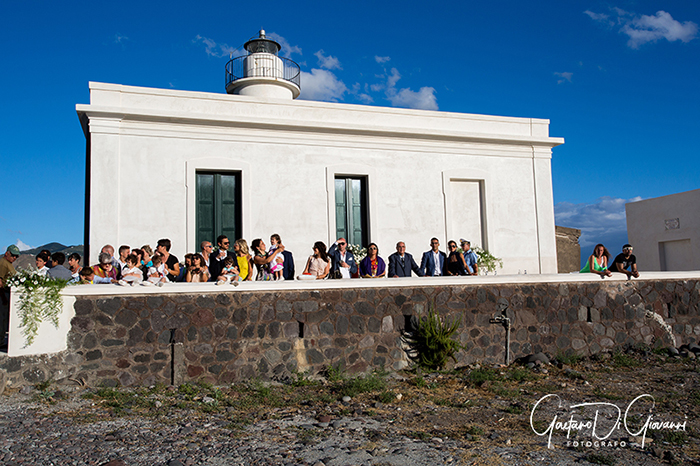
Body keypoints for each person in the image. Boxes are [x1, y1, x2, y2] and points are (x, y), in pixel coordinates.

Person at [1, 245, 20, 339]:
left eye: (16, 256)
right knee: (2, 318)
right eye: (13, 255)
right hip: (2, 294)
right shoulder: (3, 263)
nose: (15, 258)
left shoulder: (8, 263)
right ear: (7, 253)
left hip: (6, 294)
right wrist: (3, 297)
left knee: (4, 319)